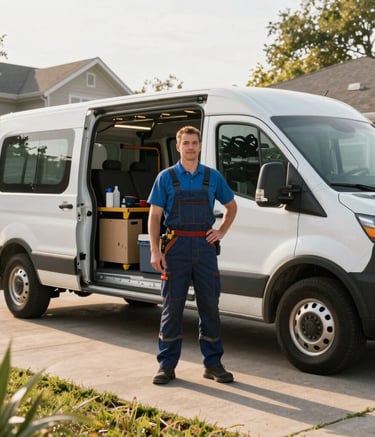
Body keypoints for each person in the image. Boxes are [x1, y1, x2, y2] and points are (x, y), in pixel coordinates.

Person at [147, 125, 238, 385]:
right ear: (178, 146)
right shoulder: (165, 177)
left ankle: (213, 364)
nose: (190, 147)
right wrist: (155, 249)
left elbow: (232, 207)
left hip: (205, 249)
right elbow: (154, 217)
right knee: (172, 307)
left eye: (194, 143)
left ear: (199, 146)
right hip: (175, 247)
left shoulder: (212, 177)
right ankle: (166, 366)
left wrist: (221, 232)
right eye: (185, 143)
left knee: (210, 306)